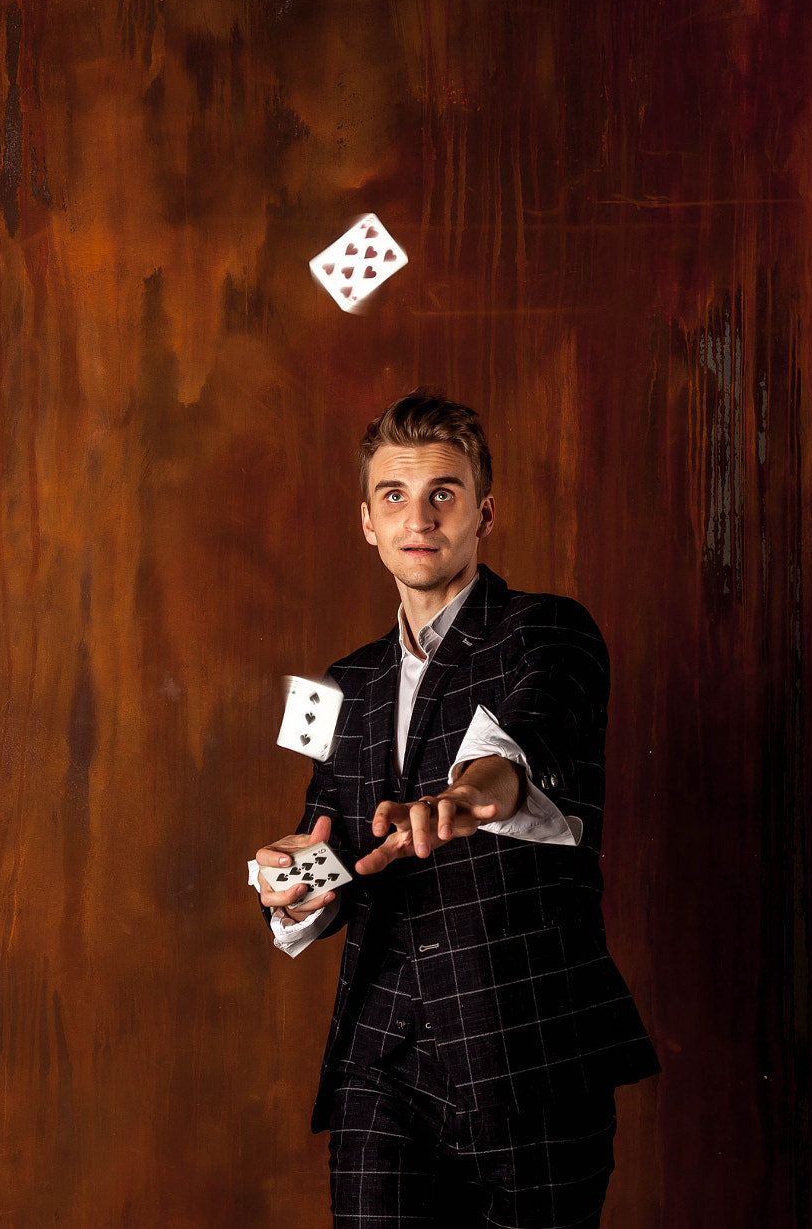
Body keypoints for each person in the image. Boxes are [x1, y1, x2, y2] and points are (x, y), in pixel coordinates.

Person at [248, 389, 659, 1228]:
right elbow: (335, 836)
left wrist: (473, 794)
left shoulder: (549, 630)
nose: (419, 516)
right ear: (367, 521)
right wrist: (296, 881)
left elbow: (521, 743)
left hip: (531, 1053)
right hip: (381, 1058)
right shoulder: (335, 683)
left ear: (485, 513)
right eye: (394, 495)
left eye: (444, 492)